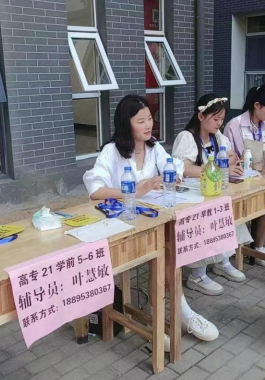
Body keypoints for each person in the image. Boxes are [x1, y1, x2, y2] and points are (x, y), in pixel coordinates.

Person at [83, 94, 219, 343]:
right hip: (122, 224)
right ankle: (169, 317)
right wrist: (135, 190)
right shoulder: (111, 151)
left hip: (152, 219)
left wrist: (172, 176)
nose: (148, 125)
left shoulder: (154, 148)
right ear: (126, 123)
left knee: (168, 250)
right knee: (164, 252)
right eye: (141, 121)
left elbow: (173, 168)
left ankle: (165, 314)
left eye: (150, 119)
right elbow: (95, 191)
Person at [172, 94, 252, 296]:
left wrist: (223, 164)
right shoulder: (187, 137)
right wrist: (216, 168)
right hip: (193, 193)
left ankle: (222, 261)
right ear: (201, 116)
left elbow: (232, 155)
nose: (219, 123)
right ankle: (197, 274)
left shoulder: (218, 137)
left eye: (221, 119)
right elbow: (184, 168)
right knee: (206, 219)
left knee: (229, 212)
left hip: (214, 189)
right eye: (215, 119)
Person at [224, 85, 265, 269]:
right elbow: (227, 156)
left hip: (259, 177)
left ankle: (259, 247)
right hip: (238, 179)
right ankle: (232, 253)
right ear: (257, 105)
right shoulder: (235, 125)